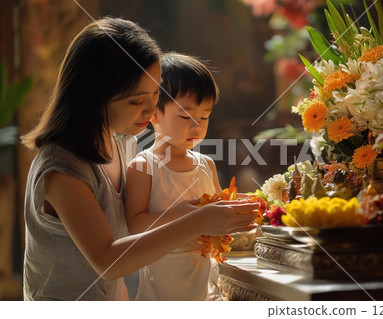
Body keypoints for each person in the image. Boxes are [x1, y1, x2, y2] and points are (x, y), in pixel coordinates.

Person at [20, 17, 258, 301]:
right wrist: (198, 220)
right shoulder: (63, 169)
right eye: (136, 101)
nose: (151, 108)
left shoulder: (122, 142)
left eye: (156, 93)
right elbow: (109, 261)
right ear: (93, 97)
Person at [125, 52, 228, 301]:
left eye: (204, 116)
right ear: (154, 114)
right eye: (185, 116)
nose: (197, 126)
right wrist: (183, 214)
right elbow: (134, 226)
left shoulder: (206, 165)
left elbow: (218, 216)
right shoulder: (144, 166)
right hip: (162, 283)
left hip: (204, 279)